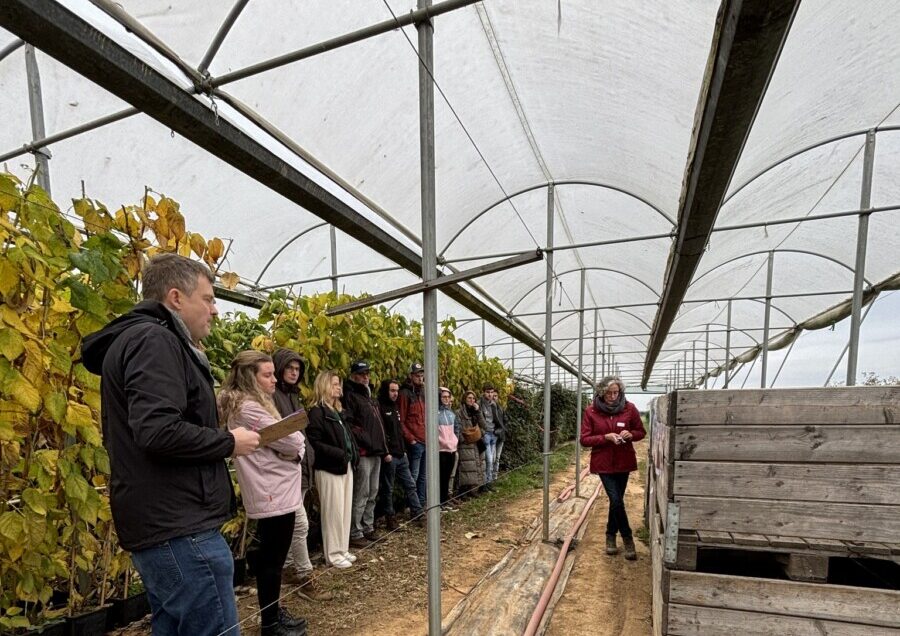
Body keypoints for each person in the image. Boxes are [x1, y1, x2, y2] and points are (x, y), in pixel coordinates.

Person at [81, 253, 260, 636]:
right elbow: (158, 431)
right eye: (209, 299)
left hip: (166, 524)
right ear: (176, 298)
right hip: (180, 528)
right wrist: (228, 442)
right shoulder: (154, 340)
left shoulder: (143, 340)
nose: (214, 311)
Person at [218, 351, 308, 636]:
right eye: (266, 375)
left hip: (273, 488)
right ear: (249, 377)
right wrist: (298, 447)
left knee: (273, 557)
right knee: (273, 560)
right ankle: (269, 623)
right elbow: (292, 443)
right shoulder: (249, 409)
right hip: (273, 490)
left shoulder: (244, 404)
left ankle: (272, 611)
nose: (273, 380)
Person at [271, 348, 332, 602]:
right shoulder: (272, 397)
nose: (294, 373)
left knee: (290, 525)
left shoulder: (294, 397)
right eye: (290, 369)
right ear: (278, 369)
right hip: (286, 472)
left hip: (301, 471)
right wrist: (295, 456)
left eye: (298, 369)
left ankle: (287, 569)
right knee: (300, 524)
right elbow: (277, 435)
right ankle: (306, 577)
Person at [579, 376, 646, 561]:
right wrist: (605, 437)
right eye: (609, 393)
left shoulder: (629, 408)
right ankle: (627, 538)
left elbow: (641, 432)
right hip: (603, 463)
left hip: (624, 461)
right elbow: (584, 439)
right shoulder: (591, 411)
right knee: (615, 499)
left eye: (616, 392)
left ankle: (610, 535)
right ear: (601, 392)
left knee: (617, 501)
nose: (613, 396)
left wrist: (630, 434)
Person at [305, 370, 358, 569]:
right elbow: (315, 441)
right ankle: (333, 554)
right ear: (324, 386)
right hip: (329, 468)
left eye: (339, 384)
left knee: (344, 509)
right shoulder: (317, 412)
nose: (339, 387)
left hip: (344, 466)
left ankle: (342, 548)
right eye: (335, 384)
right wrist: (339, 453)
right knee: (333, 511)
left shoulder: (336, 411)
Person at [343, 361, 389, 548]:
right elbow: (351, 424)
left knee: (372, 492)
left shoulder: (369, 396)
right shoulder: (351, 396)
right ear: (353, 375)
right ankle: (355, 532)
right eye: (362, 374)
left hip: (376, 451)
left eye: (367, 373)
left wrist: (382, 446)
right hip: (364, 452)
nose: (365, 376)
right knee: (361, 493)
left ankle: (368, 527)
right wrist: (367, 440)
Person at [375, 379, 422, 529]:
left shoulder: (395, 408)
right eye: (392, 390)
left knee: (410, 484)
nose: (395, 394)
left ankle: (418, 511)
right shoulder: (380, 407)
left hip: (401, 454)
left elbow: (399, 431)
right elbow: (380, 432)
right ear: (386, 391)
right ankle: (390, 518)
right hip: (390, 456)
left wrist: (404, 450)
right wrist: (385, 452)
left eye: (396, 391)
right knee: (388, 488)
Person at [398, 362, 427, 512]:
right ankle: (412, 507)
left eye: (422, 375)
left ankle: (421, 504)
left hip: (425, 440)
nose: (420, 377)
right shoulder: (405, 394)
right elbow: (401, 420)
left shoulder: (422, 392)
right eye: (417, 375)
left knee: (423, 476)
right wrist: (411, 439)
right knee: (413, 477)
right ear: (410, 376)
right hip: (415, 442)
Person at [455, 390, 486, 498]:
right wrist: (464, 438)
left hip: (477, 442)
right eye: (469, 398)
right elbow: (458, 429)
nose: (472, 400)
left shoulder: (476, 412)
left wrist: (478, 412)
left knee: (476, 466)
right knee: (466, 467)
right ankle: (464, 491)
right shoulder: (459, 412)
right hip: (466, 443)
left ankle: (474, 489)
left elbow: (484, 425)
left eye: (473, 398)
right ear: (464, 399)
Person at [479, 384, 506, 485]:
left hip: (493, 435)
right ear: (483, 392)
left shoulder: (494, 405)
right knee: (489, 460)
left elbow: (498, 420)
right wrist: (483, 432)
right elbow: (479, 419)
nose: (490, 394)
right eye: (487, 392)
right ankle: (486, 483)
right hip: (485, 434)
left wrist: (497, 431)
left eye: (491, 392)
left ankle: (489, 481)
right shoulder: (480, 404)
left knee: (493, 459)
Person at [437, 388, 460, 506]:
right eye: (444, 397)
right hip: (441, 449)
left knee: (447, 477)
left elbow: (456, 429)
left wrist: (454, 441)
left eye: (448, 397)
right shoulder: (436, 413)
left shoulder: (451, 413)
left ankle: (445, 500)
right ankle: (440, 502)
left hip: (452, 449)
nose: (446, 399)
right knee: (441, 477)